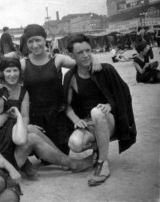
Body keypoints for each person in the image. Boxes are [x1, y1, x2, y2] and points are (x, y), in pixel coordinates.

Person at [63, 34, 137, 186]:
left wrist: (110, 105)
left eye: (88, 51)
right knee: (75, 144)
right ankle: (98, 149)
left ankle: (103, 163)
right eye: (80, 53)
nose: (85, 55)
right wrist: (76, 120)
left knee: (96, 112)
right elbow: (67, 106)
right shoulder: (71, 77)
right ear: (71, 56)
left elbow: (123, 93)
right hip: (90, 122)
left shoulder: (105, 70)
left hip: (109, 120)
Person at [20, 24, 101, 155]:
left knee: (61, 152)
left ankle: (97, 146)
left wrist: (94, 57)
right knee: (45, 158)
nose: (35, 45)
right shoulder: (23, 64)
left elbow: (82, 63)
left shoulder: (57, 60)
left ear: (44, 39)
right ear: (26, 43)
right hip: (37, 117)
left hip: (58, 117)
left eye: (38, 40)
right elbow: (5, 75)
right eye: (30, 41)